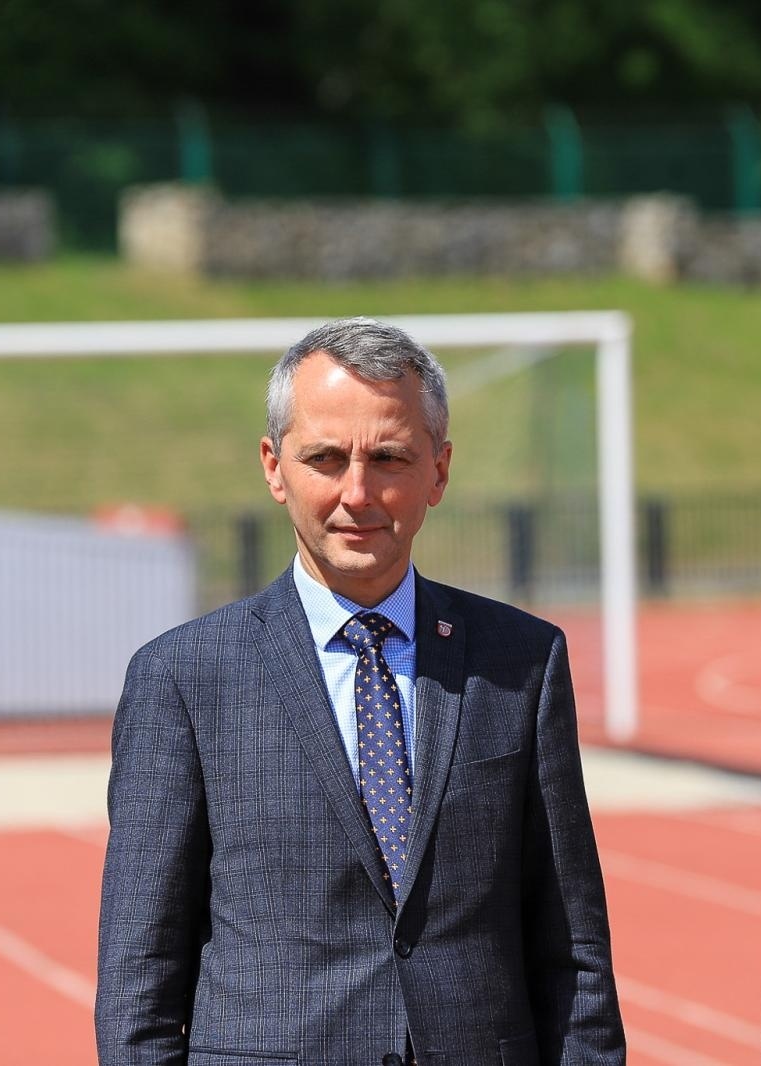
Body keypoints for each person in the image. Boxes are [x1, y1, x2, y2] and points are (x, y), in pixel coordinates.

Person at [96, 317, 626, 1065]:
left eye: (388, 457)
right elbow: (138, 978)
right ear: (274, 468)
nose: (358, 492)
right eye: (325, 458)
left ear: (438, 472)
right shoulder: (183, 679)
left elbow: (571, 945)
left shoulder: (523, 662)